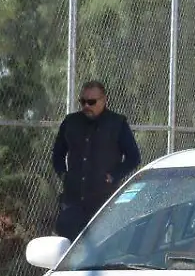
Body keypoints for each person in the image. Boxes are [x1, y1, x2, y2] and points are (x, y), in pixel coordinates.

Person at [51, 81, 141, 239]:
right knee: (67, 247)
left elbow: (133, 157)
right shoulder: (71, 122)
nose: (87, 106)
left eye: (92, 102)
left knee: (100, 248)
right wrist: (64, 176)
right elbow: (57, 154)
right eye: (83, 101)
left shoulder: (117, 123)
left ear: (104, 100)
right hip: (73, 201)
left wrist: (113, 176)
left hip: (103, 202)